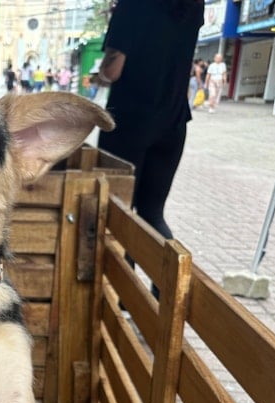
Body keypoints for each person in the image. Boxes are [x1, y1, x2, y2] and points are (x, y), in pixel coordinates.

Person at [97, 0, 204, 246]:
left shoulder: (131, 5)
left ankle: (124, 284)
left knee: (118, 214)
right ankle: (167, 284)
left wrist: (100, 75)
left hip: (129, 121)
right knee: (152, 213)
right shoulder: (193, 6)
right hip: (173, 121)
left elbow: (113, 70)